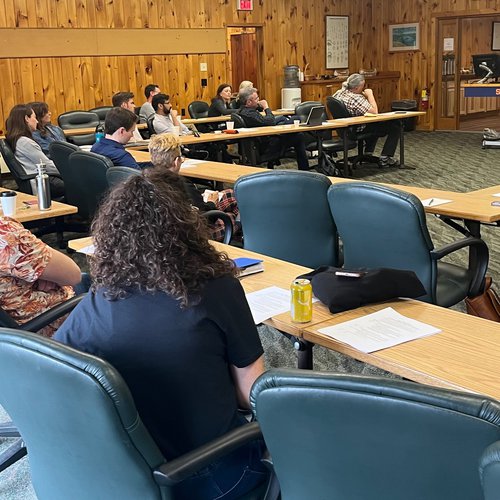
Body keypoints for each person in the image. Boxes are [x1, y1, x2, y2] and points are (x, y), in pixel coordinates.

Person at [54, 171, 267, 500]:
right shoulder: (217, 288)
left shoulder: (102, 294)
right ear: (187, 226)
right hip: (207, 474)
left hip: (122, 473)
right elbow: (249, 395)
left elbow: (62, 369)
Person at [148, 133, 240, 241]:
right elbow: (206, 218)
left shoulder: (148, 181)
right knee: (233, 216)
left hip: (165, 231)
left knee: (229, 193)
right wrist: (212, 202)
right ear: (177, 161)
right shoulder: (182, 186)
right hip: (193, 235)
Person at [0, 216, 82, 336]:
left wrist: (37, 277)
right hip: (45, 329)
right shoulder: (6, 234)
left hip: (10, 335)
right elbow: (74, 275)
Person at [333, 73, 400, 167]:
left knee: (374, 123)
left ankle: (368, 153)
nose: (363, 88)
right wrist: (370, 95)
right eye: (362, 86)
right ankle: (385, 157)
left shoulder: (339, 93)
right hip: (357, 129)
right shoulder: (356, 98)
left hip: (345, 129)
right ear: (356, 87)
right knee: (395, 125)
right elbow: (374, 112)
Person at [238, 86, 310, 170]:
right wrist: (266, 107)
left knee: (282, 118)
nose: (259, 100)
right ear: (249, 102)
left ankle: (286, 121)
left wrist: (259, 106)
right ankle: (304, 168)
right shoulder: (250, 114)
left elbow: (264, 121)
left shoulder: (243, 111)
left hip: (263, 139)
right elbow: (270, 122)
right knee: (298, 135)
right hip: (267, 146)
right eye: (256, 98)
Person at [5, 104, 65, 198]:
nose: (37, 121)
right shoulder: (25, 142)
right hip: (43, 183)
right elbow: (47, 166)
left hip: (41, 180)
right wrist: (70, 171)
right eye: (34, 117)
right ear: (26, 118)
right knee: (81, 184)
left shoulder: (18, 140)